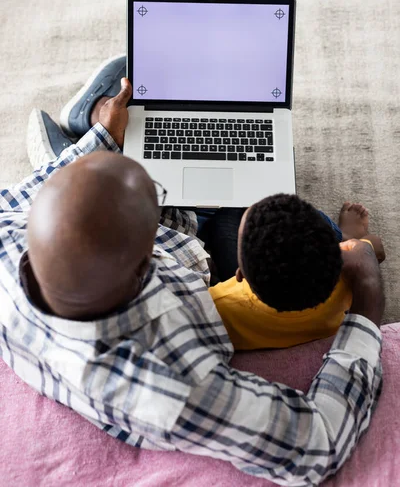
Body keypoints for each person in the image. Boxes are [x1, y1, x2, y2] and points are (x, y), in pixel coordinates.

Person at [1, 57, 384, 486]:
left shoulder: (9, 234)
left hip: (152, 250)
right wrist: (368, 298)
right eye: (157, 197)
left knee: (110, 164)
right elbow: (320, 442)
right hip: (195, 273)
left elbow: (40, 190)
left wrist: (105, 137)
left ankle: (90, 125)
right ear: (144, 269)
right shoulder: (173, 386)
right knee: (262, 212)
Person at [208, 194, 386, 349]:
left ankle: (340, 235)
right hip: (317, 317)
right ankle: (342, 235)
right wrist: (352, 246)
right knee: (297, 221)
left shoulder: (216, 305)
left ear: (240, 275)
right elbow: (376, 247)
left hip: (249, 316)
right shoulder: (347, 278)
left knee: (224, 218)